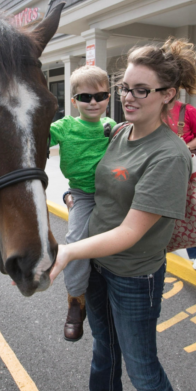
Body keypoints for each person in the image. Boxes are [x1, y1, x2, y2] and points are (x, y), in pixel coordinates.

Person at [50, 38, 196, 391]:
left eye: (141, 90)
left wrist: (70, 251)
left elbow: (131, 232)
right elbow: (99, 186)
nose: (128, 98)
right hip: (97, 268)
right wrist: (72, 196)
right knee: (103, 355)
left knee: (142, 372)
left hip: (133, 277)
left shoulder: (169, 156)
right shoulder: (118, 132)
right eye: (125, 88)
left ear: (168, 94)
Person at [50, 65, 116, 342]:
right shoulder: (62, 127)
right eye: (85, 97)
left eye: (99, 96)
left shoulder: (112, 127)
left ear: (108, 98)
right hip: (82, 194)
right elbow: (31, 140)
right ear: (74, 100)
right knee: (76, 239)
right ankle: (76, 301)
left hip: (114, 192)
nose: (93, 102)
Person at [165, 98, 196, 271]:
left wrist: (186, 146)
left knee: (192, 208)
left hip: (185, 165)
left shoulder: (188, 110)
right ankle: (164, 245)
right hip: (161, 165)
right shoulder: (153, 108)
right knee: (160, 208)